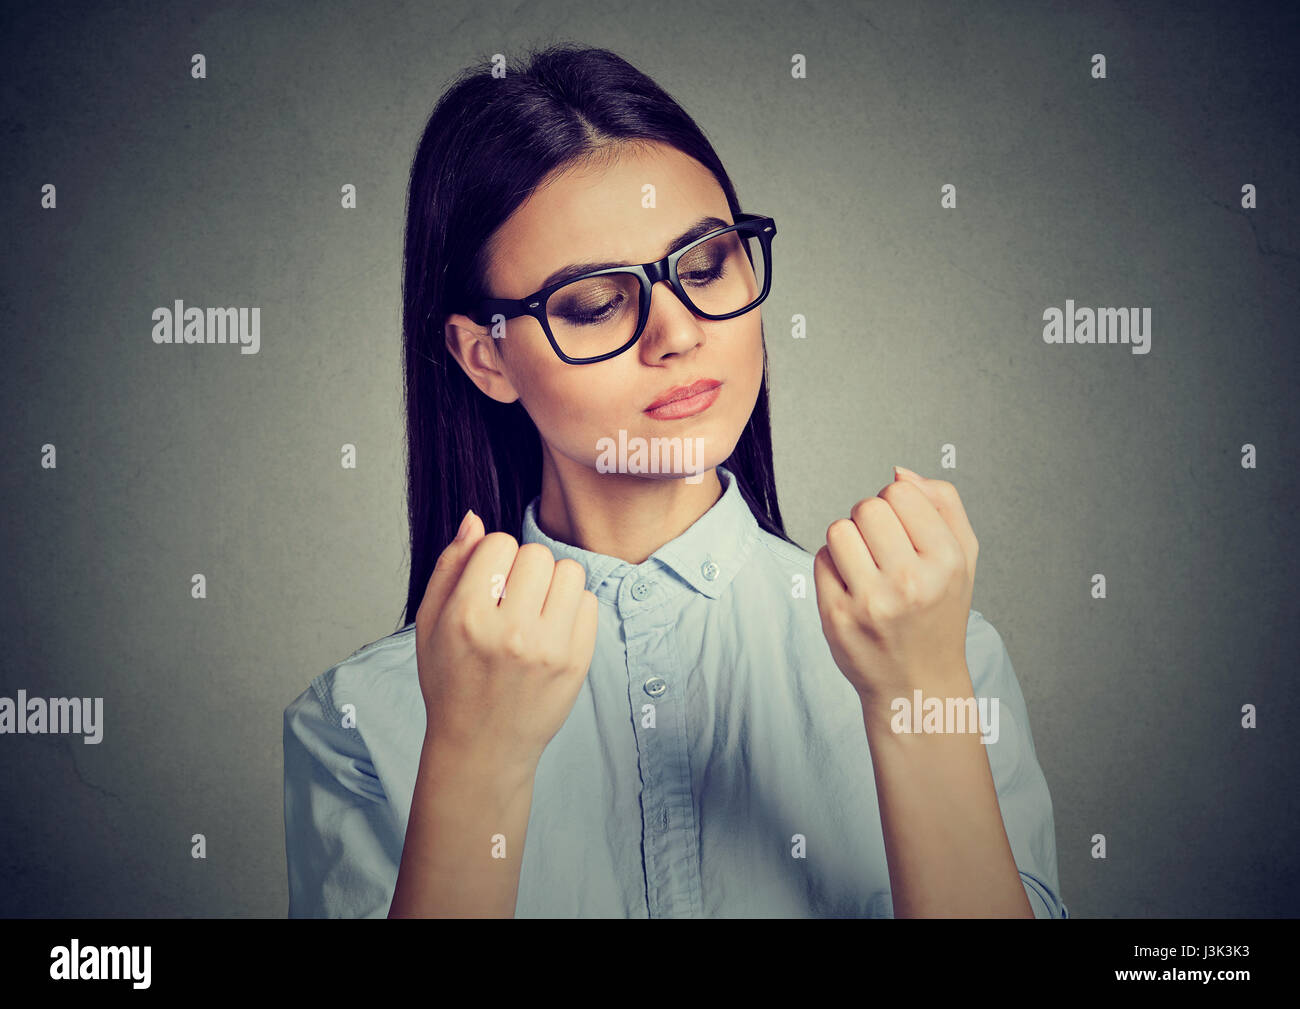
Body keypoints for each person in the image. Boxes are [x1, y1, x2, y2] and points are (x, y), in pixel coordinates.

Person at [283, 42, 1067, 919]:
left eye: (705, 267)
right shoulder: (360, 721)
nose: (679, 331)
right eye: (593, 303)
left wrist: (921, 700)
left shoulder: (938, 647)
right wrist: (473, 763)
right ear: (485, 356)